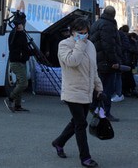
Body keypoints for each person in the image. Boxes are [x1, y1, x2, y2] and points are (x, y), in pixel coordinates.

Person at [52, 17, 104, 168]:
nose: (83, 35)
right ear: (72, 32)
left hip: (87, 91)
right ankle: (85, 158)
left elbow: (94, 70)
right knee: (81, 123)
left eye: (85, 32)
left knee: (76, 122)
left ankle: (58, 142)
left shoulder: (91, 46)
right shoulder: (64, 45)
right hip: (72, 91)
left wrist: (99, 88)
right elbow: (72, 61)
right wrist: (80, 43)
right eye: (79, 32)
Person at [89, 6, 122, 122]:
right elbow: (109, 45)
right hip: (106, 63)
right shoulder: (109, 25)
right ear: (114, 14)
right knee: (106, 89)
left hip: (97, 61)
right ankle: (105, 112)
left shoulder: (96, 23)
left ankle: (94, 107)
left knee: (97, 88)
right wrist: (114, 61)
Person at [4, 15, 32, 112]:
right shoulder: (16, 34)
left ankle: (17, 105)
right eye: (18, 24)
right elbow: (22, 47)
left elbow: (24, 48)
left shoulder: (20, 33)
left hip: (21, 61)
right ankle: (10, 99)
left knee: (20, 82)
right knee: (24, 83)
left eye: (21, 24)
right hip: (16, 62)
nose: (20, 26)